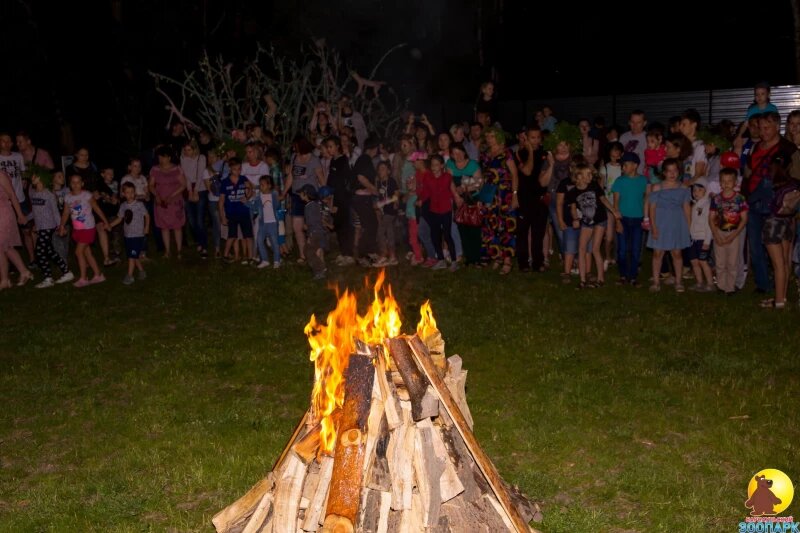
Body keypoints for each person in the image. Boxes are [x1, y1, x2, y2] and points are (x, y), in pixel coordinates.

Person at [743, 111, 797, 293]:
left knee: (779, 252)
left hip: (776, 205)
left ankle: (780, 288)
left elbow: (796, 178)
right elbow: (748, 171)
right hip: (753, 202)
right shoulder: (755, 147)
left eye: (767, 127)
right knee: (756, 246)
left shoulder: (788, 149)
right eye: (760, 127)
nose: (762, 131)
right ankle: (763, 284)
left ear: (777, 127)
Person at [566, 163, 620, 288]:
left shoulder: (594, 186)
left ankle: (600, 279)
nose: (591, 176)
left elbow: (603, 199)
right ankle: (583, 280)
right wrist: (575, 219)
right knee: (581, 248)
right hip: (586, 221)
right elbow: (573, 208)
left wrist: (614, 211)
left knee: (595, 248)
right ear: (579, 176)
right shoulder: (572, 192)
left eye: (591, 174)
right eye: (588, 174)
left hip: (600, 220)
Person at [646, 158, 692, 292]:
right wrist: (653, 226)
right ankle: (655, 282)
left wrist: (688, 228)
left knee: (677, 253)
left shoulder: (683, 187)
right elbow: (652, 209)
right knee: (657, 253)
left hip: (677, 223)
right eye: (669, 171)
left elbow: (687, 208)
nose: (672, 174)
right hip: (660, 222)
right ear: (664, 173)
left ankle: (678, 281)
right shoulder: (657, 187)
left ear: (679, 171)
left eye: (675, 170)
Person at [759, 159, 799, 308]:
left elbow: (759, 202)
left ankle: (779, 302)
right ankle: (782, 296)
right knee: (785, 261)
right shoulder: (793, 182)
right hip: (788, 222)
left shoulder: (768, 183)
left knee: (778, 265)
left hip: (773, 223)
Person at [480, 127, 518, 274]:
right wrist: (481, 198)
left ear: (499, 137)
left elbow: (514, 174)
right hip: (490, 195)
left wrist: (514, 195)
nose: (490, 139)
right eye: (488, 136)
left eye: (492, 136)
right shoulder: (486, 155)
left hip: (504, 194)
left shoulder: (506, 153)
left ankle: (507, 261)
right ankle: (497, 256)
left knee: (506, 228)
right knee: (492, 226)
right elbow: (485, 178)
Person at [58, 174, 108, 287]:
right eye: (73, 182)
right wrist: (62, 225)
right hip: (77, 229)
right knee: (87, 253)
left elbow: (96, 208)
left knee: (78, 252)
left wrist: (106, 221)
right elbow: (66, 213)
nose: (76, 185)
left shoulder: (87, 195)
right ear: (70, 184)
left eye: (78, 182)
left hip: (88, 228)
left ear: (82, 183)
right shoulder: (68, 197)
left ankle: (83, 278)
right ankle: (98, 275)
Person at [281, 137, 324, 263]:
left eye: (296, 146)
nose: (294, 148)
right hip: (296, 196)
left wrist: (325, 195)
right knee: (297, 226)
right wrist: (284, 193)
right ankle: (303, 254)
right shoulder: (295, 157)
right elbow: (290, 177)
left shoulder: (314, 160)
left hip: (310, 197)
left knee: (313, 226)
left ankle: (316, 252)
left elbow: (321, 178)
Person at [29, 172, 73, 288]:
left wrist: (61, 226)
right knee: (50, 252)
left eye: (35, 176)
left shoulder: (49, 195)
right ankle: (67, 272)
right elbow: (35, 211)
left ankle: (48, 278)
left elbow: (55, 212)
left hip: (48, 227)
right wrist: (27, 219)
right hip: (40, 227)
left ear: (42, 178)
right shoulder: (33, 194)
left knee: (39, 252)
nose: (32, 178)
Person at [416, 154, 459, 271]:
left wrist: (436, 177)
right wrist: (420, 199)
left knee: (447, 235)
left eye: (436, 165)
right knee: (434, 235)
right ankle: (441, 260)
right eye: (432, 165)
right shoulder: (428, 177)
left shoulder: (447, 177)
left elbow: (442, 187)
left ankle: (454, 261)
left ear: (441, 166)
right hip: (434, 210)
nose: (434, 167)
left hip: (445, 210)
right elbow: (426, 192)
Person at [710, 167, 749, 296]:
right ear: (720, 183)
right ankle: (721, 286)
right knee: (720, 261)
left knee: (732, 262)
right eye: (723, 181)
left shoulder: (740, 199)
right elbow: (711, 218)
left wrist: (734, 235)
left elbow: (744, 219)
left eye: (729, 181)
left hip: (734, 233)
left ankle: (730, 287)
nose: (726, 184)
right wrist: (716, 234)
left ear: (735, 182)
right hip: (719, 232)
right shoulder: (716, 199)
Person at [612, 152, 648, 286]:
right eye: (622, 166)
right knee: (622, 250)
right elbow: (615, 203)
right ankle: (623, 275)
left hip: (638, 220)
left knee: (635, 249)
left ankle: (632, 276)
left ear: (635, 166)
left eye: (625, 165)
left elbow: (647, 199)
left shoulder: (643, 180)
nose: (623, 168)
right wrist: (617, 221)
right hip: (623, 219)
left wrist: (646, 217)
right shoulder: (619, 181)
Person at [514, 127, 547, 271]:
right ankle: (523, 262)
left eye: (538, 137)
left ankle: (538, 262)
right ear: (526, 139)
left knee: (538, 233)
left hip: (539, 199)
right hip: (524, 198)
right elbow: (527, 171)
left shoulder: (545, 154)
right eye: (532, 137)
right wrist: (531, 152)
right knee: (522, 232)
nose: (535, 140)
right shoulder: (520, 153)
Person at [448, 143, 484, 267]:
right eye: (454, 153)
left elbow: (479, 183)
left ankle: (477, 258)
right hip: (458, 200)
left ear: (464, 152)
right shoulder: (450, 164)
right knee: (462, 229)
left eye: (459, 152)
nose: (457, 155)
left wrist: (465, 187)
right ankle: (468, 258)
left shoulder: (472, 164)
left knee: (474, 228)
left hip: (472, 199)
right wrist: (457, 197)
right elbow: (450, 182)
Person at [0, 132, 34, 264]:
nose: (6, 143)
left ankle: (32, 259)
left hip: (19, 198)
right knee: (6, 236)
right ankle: (10, 264)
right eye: (3, 141)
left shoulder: (17, 156)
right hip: (4, 203)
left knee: (26, 230)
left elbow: (24, 173)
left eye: (9, 141)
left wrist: (25, 179)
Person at [107, 182, 149, 285]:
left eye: (132, 192)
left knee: (131, 256)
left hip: (137, 235)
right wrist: (110, 225)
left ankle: (129, 276)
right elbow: (120, 218)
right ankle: (142, 271)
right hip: (128, 235)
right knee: (133, 255)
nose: (130, 194)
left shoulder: (139, 204)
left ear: (135, 193)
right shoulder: (123, 205)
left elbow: (147, 216)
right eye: (127, 192)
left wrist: (146, 227)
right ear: (123, 194)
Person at [149, 145, 187, 259]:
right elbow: (151, 185)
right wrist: (156, 195)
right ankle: (167, 251)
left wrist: (172, 195)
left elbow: (183, 185)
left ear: (169, 158)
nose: (161, 159)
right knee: (164, 226)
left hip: (175, 201)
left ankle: (179, 250)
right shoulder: (155, 169)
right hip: (161, 201)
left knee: (177, 226)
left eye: (163, 157)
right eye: (159, 157)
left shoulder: (176, 169)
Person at [0, 170, 34, 289]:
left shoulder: (0, 175)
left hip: (3, 213)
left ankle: (5, 280)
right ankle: (24, 272)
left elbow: (13, 195)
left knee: (2, 245)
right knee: (6, 247)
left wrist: (20, 215)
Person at [351, 136, 381, 266]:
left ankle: (366, 253)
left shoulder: (364, 159)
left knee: (370, 224)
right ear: (374, 148)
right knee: (371, 224)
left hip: (363, 197)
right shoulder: (365, 159)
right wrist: (374, 189)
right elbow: (361, 177)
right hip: (361, 197)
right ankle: (364, 254)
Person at [219, 158, 253, 263]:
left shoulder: (243, 179)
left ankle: (250, 257)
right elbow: (221, 201)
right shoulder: (225, 182)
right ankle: (225, 255)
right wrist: (222, 216)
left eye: (239, 169)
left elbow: (250, 190)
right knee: (232, 235)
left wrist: (247, 196)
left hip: (244, 211)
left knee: (248, 235)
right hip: (231, 213)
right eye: (235, 169)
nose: (237, 171)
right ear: (230, 169)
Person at [180, 140, 208, 258]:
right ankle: (200, 240)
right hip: (188, 189)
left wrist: (196, 191)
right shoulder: (183, 158)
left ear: (194, 149)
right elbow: (185, 176)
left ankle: (204, 246)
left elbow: (201, 174)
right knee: (191, 220)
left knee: (199, 220)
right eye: (185, 150)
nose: (187, 152)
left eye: (189, 150)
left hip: (200, 189)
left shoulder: (201, 158)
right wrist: (190, 191)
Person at [599, 142, 624, 269]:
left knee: (619, 233)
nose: (615, 155)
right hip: (609, 205)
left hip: (622, 204)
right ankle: (607, 257)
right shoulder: (605, 168)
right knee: (608, 235)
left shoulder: (624, 168)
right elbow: (600, 186)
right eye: (613, 152)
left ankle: (619, 256)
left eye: (618, 152)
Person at [687, 177, 714, 292]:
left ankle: (710, 284)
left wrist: (707, 241)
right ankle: (699, 283)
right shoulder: (694, 205)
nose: (696, 193)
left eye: (699, 190)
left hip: (703, 238)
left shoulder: (707, 205)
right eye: (694, 190)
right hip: (693, 239)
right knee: (694, 261)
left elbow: (709, 225)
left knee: (703, 261)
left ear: (705, 191)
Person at [249, 175, 281, 269]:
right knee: (259, 241)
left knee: (274, 243)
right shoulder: (259, 197)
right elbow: (255, 208)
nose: (260, 187)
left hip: (272, 223)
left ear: (269, 185)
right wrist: (247, 202)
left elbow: (277, 206)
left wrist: (278, 197)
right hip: (263, 224)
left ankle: (277, 261)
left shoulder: (274, 195)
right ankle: (265, 260)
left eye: (262, 185)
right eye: (260, 185)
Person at [299, 184, 329, 280]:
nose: (299, 194)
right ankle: (320, 271)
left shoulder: (309, 207)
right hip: (319, 232)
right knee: (316, 251)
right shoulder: (315, 204)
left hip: (314, 232)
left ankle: (320, 268)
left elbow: (312, 221)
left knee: (309, 252)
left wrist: (307, 228)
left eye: (301, 193)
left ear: (306, 194)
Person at [374, 161, 400, 266]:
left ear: (388, 171)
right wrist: (379, 209)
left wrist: (395, 202)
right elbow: (380, 196)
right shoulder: (379, 182)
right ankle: (392, 256)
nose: (381, 171)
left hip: (391, 211)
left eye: (383, 168)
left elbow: (396, 195)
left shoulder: (391, 181)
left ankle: (384, 254)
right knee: (389, 233)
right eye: (379, 169)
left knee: (380, 231)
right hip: (384, 212)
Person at [678, 109, 707, 183]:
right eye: (680, 124)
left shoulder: (700, 146)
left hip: (694, 188)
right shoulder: (683, 144)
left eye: (684, 124)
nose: (680, 127)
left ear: (694, 125)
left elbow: (699, 174)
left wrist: (685, 186)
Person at [619, 110, 647, 174]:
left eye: (638, 122)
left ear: (644, 123)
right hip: (625, 176)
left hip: (641, 177)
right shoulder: (623, 137)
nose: (635, 125)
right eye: (632, 122)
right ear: (629, 122)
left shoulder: (649, 138)